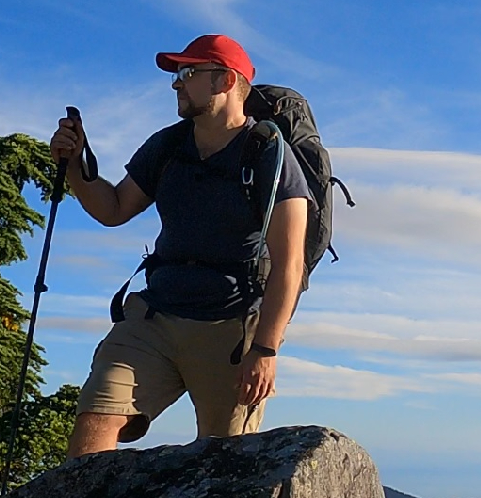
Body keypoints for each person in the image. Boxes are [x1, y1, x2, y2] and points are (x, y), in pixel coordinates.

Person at [49, 34, 310, 455]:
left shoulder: (269, 155)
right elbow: (114, 208)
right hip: (154, 316)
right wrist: (76, 166)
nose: (176, 83)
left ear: (225, 80)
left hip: (230, 328)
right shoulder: (169, 145)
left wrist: (264, 349)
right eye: (177, 74)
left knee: (223, 466)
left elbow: (289, 266)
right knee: (94, 424)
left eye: (188, 73)